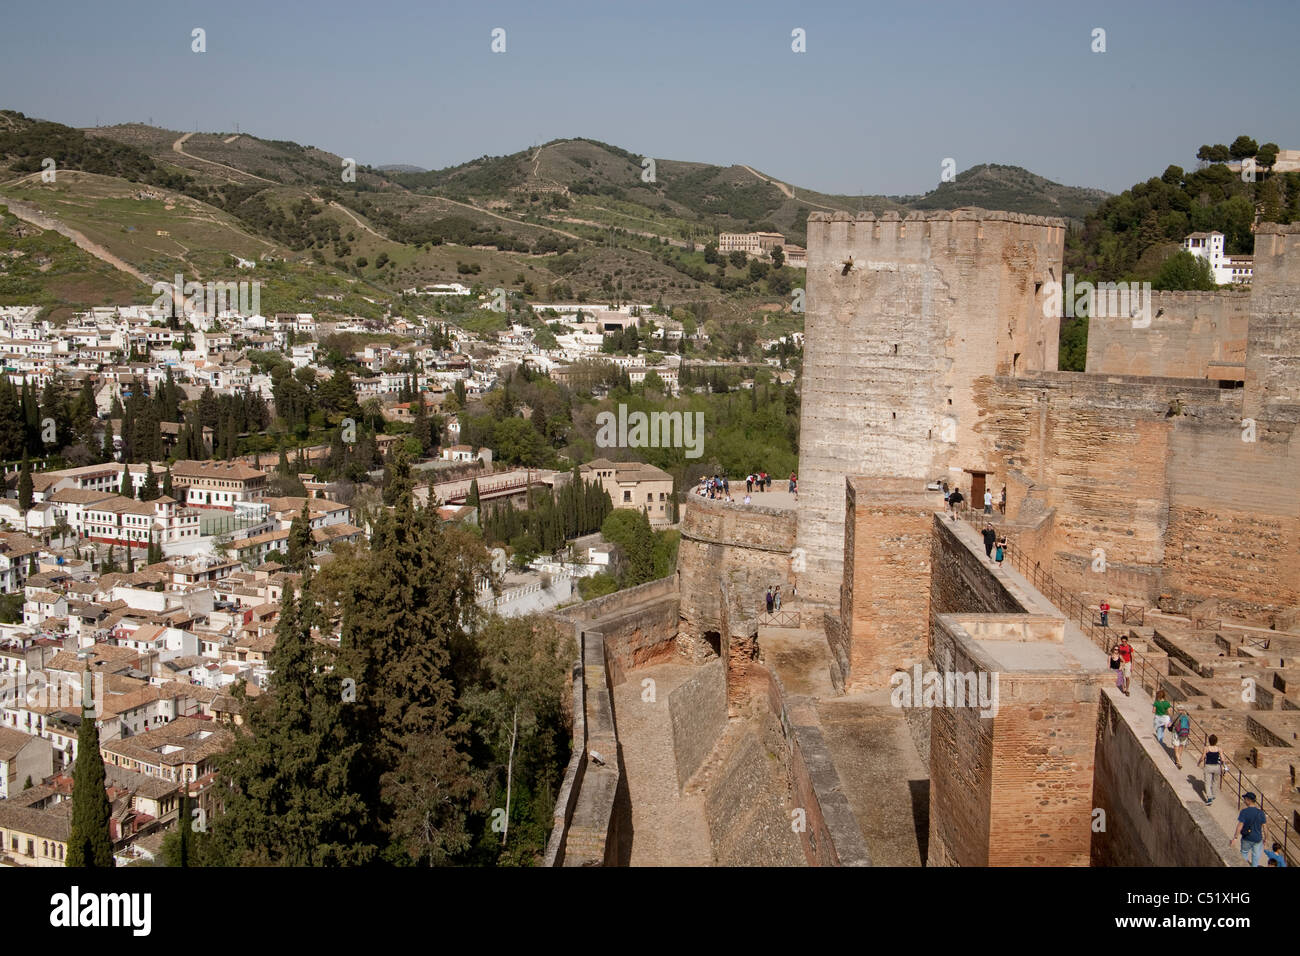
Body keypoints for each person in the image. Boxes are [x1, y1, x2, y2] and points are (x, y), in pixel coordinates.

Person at [1231, 793, 1267, 867]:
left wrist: (1235, 838)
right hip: (1257, 838)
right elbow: (1265, 827)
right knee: (1256, 857)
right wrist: (1266, 838)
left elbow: (1240, 826)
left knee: (1244, 853)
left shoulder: (1244, 812)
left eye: (1245, 799)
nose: (1244, 801)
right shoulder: (1261, 813)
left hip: (1246, 837)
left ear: (1248, 800)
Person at [1197, 734, 1222, 805]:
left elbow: (1203, 757)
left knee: (1207, 783)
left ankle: (1209, 798)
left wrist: (1199, 762)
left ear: (1209, 741)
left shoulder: (1206, 748)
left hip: (1208, 766)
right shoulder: (1219, 749)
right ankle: (1213, 794)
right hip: (1217, 766)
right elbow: (1223, 759)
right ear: (1216, 741)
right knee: (1215, 781)